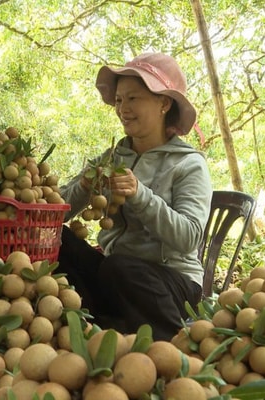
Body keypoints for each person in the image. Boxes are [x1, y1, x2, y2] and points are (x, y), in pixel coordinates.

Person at [57, 52, 212, 341]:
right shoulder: (113, 157)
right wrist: (84, 185)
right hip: (118, 277)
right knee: (58, 240)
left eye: (133, 99)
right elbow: (57, 213)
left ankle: (170, 341)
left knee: (121, 267)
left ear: (164, 103)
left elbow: (189, 237)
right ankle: (103, 328)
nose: (122, 109)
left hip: (171, 284)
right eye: (118, 100)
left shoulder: (189, 164)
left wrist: (140, 194)